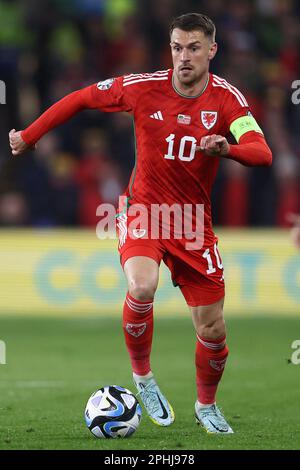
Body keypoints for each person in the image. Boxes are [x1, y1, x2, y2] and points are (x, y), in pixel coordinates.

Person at [9, 13, 272, 434]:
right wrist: (31, 134)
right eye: (176, 47)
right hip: (143, 211)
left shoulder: (227, 100)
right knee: (142, 285)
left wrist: (227, 149)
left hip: (192, 224)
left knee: (214, 330)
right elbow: (81, 98)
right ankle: (143, 378)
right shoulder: (143, 87)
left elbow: (262, 152)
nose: (183, 57)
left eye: (193, 48)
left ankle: (207, 405)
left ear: (212, 51)